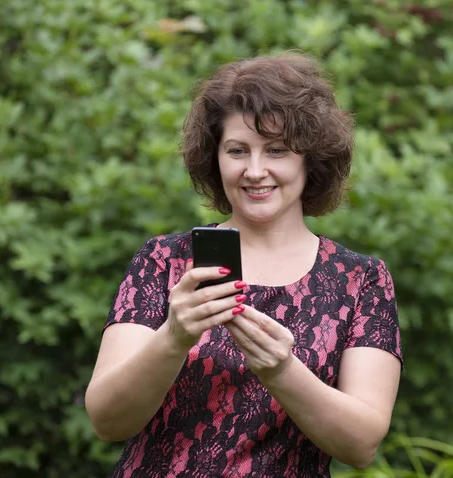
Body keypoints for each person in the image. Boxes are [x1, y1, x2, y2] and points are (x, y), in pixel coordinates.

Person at [85, 53, 403, 477]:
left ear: (311, 159)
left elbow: (361, 445)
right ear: (214, 158)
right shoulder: (163, 261)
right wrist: (174, 337)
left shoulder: (362, 281)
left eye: (277, 150)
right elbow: (108, 422)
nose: (255, 171)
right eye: (238, 150)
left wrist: (283, 371)